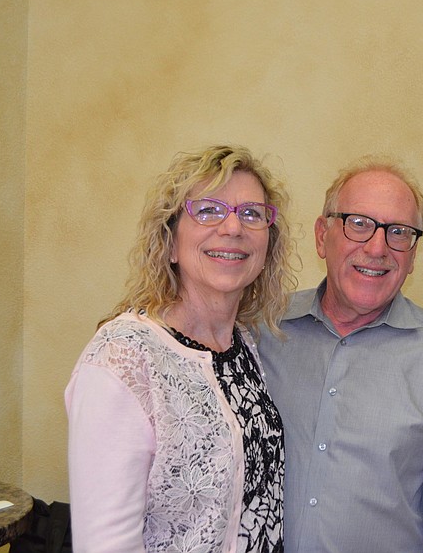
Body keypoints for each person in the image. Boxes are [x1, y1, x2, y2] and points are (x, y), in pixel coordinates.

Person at [258, 156, 423, 553]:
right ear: (322, 236)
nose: (377, 248)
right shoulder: (261, 331)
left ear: (413, 254)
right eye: (358, 223)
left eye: (399, 232)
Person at [66, 145, 295, 552]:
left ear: (266, 248)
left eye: (251, 214)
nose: (232, 228)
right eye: (207, 210)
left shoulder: (247, 345)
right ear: (170, 243)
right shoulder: (124, 360)